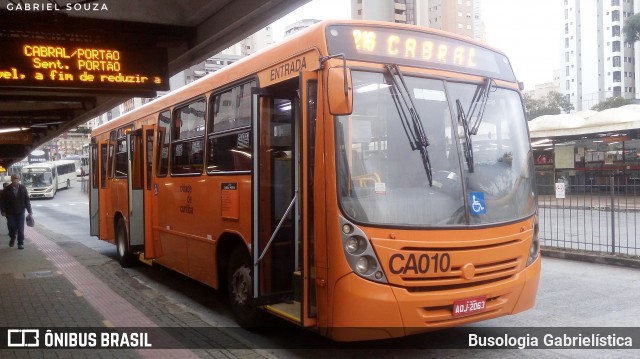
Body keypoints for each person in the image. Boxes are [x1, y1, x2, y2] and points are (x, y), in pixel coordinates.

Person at [0, 174, 33, 250]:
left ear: (19, 179)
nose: (15, 180)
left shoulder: (23, 188)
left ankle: (20, 243)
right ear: (11, 179)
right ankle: (12, 237)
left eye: (17, 179)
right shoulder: (6, 190)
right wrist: (3, 211)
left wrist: (30, 211)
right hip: (10, 213)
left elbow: (27, 200)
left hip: (20, 212)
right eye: (13, 179)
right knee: (12, 227)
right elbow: (2, 202)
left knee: (21, 228)